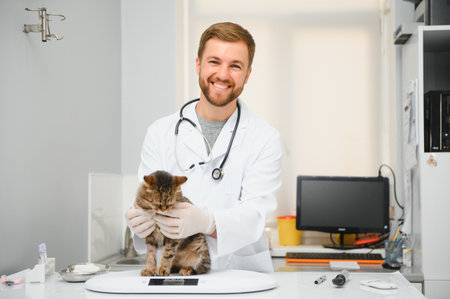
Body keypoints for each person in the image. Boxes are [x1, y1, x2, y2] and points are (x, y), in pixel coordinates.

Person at [125, 22, 282, 272]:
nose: (222, 74)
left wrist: (208, 222)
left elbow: (256, 215)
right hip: (177, 274)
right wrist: (140, 220)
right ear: (198, 65)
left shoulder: (265, 138)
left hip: (241, 277)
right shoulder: (160, 132)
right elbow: (147, 196)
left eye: (235, 66)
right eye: (214, 61)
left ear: (247, 74)